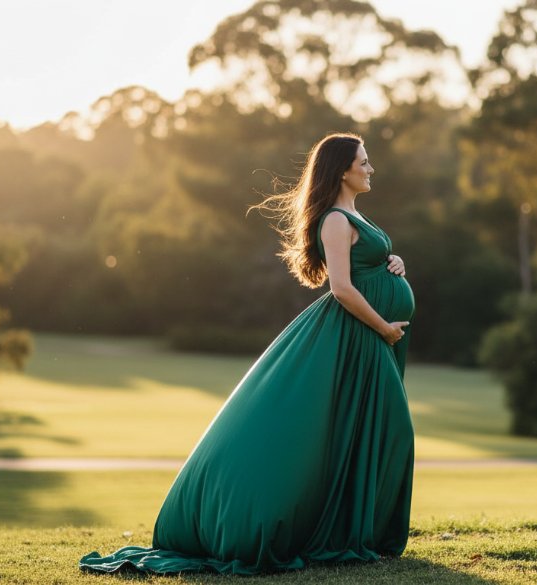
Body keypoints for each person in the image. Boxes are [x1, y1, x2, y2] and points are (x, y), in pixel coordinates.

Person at [79, 131, 416, 576]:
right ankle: (326, 527)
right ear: (341, 170)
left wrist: (394, 264)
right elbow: (340, 288)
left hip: (374, 336)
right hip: (357, 336)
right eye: (364, 162)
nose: (371, 169)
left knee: (367, 430)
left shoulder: (355, 214)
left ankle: (361, 530)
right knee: (388, 431)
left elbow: (366, 265)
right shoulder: (335, 220)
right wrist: (383, 327)